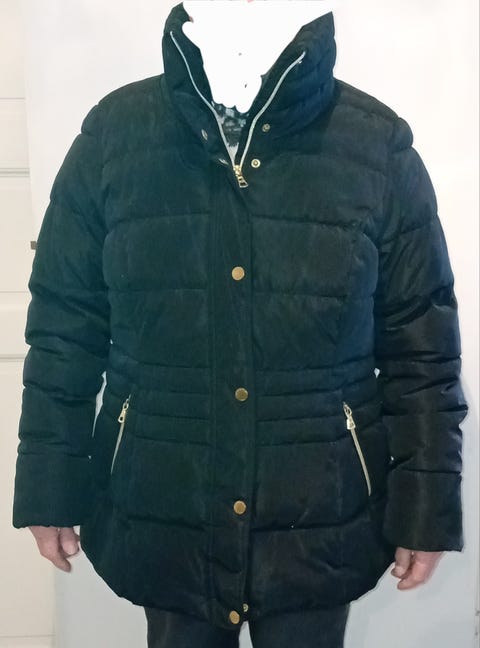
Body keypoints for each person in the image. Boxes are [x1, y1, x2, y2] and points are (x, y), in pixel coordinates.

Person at [12, 2, 469, 647]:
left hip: (319, 515)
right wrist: (49, 485)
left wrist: (427, 508)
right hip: (167, 503)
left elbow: (421, 347)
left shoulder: (376, 147)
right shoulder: (114, 138)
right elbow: (65, 326)